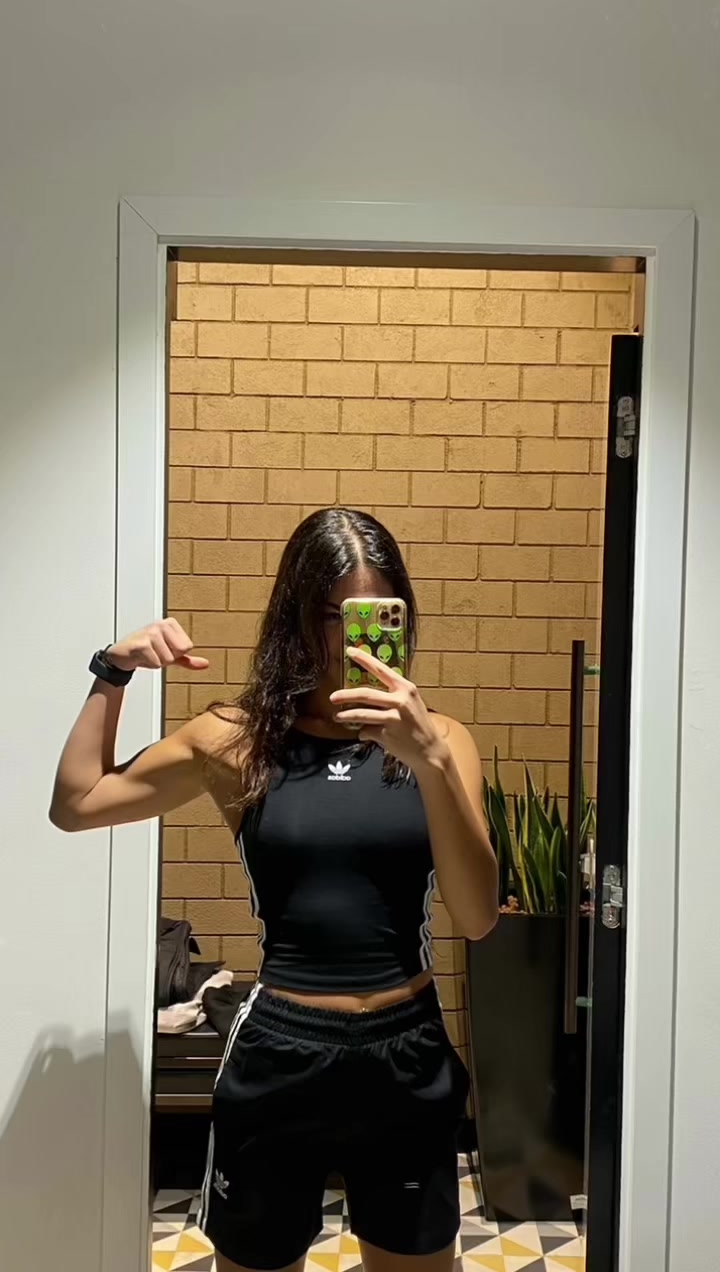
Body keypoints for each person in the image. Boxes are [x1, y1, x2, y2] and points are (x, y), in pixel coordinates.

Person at [50, 507, 498, 1272]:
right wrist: (112, 671)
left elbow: (479, 916)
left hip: (407, 1050)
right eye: (333, 616)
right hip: (283, 1051)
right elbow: (77, 803)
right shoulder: (237, 739)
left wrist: (427, 761)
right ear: (296, 616)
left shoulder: (443, 741)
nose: (353, 640)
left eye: (375, 615)